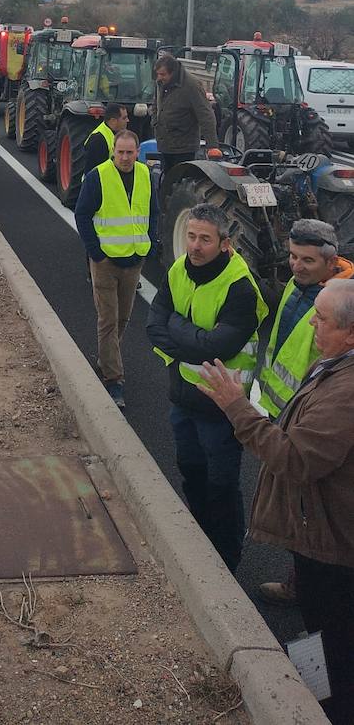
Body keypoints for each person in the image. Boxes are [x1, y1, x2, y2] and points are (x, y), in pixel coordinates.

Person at [200, 279, 354, 725]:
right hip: (324, 534)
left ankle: (329, 708)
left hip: (332, 545)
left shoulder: (346, 392)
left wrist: (237, 408)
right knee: (324, 626)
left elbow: (297, 459)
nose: (311, 322)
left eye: (321, 319)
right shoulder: (335, 363)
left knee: (333, 634)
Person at [146, 203, 267, 571]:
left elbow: (219, 347)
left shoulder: (240, 288)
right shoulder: (178, 268)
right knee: (191, 472)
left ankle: (228, 558)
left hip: (221, 409)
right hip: (183, 398)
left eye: (205, 239)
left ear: (225, 244)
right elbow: (154, 325)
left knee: (222, 487)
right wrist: (190, 337)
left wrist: (177, 327)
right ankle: (200, 541)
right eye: (191, 236)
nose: (195, 246)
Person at [257, 219, 353, 606]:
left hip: (316, 420)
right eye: (293, 256)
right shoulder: (298, 289)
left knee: (314, 509)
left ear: (331, 263)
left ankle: (309, 588)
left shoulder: (338, 304)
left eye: (307, 260)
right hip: (285, 408)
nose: (296, 266)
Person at [74, 130, 152, 409]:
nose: (125, 157)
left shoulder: (145, 175)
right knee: (108, 319)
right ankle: (113, 378)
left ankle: (106, 358)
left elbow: (150, 212)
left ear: (137, 151)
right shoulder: (98, 176)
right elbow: (82, 214)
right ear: (113, 151)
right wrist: (95, 253)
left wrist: (149, 243)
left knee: (123, 318)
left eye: (130, 152)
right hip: (106, 262)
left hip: (133, 261)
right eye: (120, 152)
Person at [152, 54, 218, 175]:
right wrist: (155, 122)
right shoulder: (161, 83)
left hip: (184, 148)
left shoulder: (191, 86)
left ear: (173, 73)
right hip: (165, 145)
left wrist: (212, 146)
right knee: (167, 182)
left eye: (162, 74)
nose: (159, 78)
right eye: (158, 74)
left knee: (181, 181)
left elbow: (206, 115)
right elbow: (157, 104)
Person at [83, 103, 129, 174]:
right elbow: (94, 173)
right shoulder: (97, 140)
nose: (127, 120)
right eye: (124, 118)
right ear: (113, 121)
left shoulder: (119, 133)